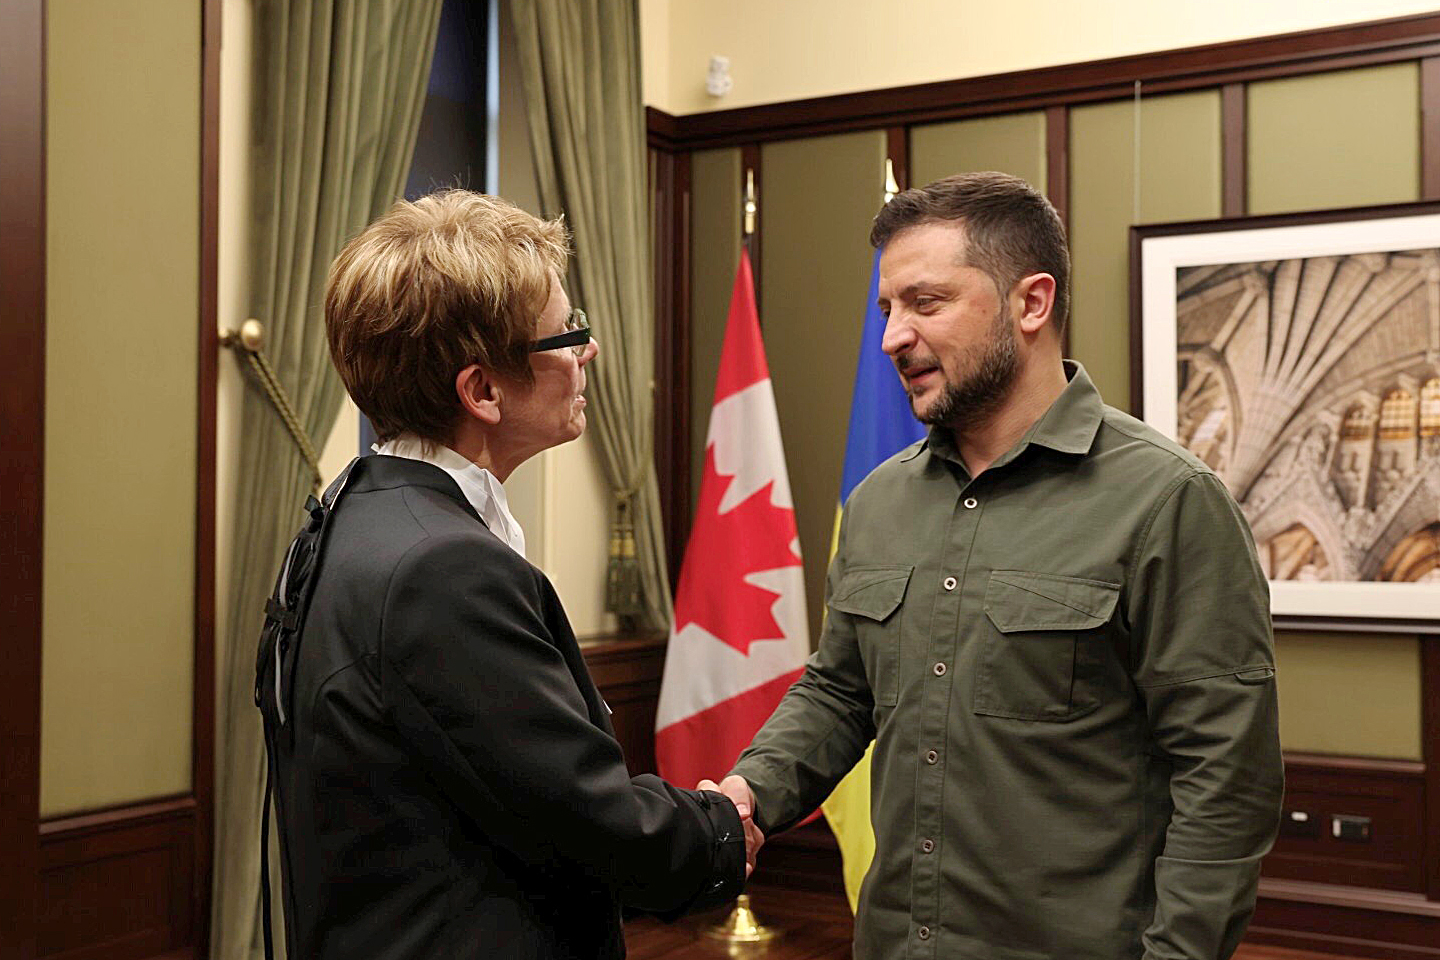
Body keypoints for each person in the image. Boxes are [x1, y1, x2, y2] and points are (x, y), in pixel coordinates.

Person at [705, 172, 1283, 959]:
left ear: (1031, 303)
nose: (892, 339)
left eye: (926, 303)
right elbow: (841, 690)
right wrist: (749, 794)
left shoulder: (1168, 501)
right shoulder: (879, 503)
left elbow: (1227, 780)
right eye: (887, 309)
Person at [254, 190, 754, 960]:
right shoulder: (443, 570)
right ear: (482, 390)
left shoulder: (350, 514)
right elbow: (589, 824)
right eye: (567, 332)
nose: (586, 351)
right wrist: (719, 831)